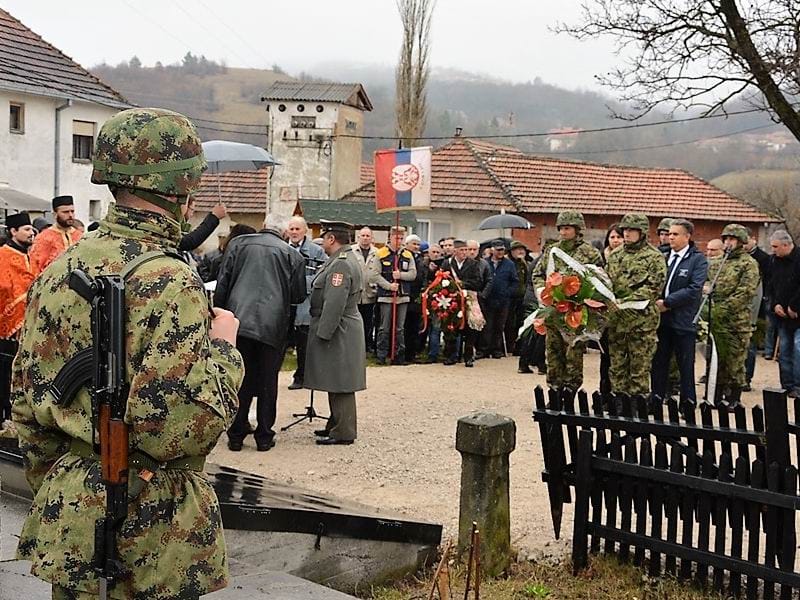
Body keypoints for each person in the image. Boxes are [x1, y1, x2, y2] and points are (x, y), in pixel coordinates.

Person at [12, 107, 244, 599]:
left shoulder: (60, 267)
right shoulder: (171, 279)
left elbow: (27, 400)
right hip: (154, 529)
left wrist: (66, 493)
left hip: (72, 506)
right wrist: (225, 347)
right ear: (184, 184)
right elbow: (179, 428)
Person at [215, 213, 306, 451]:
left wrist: (220, 314)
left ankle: (235, 433)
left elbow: (223, 282)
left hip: (238, 321)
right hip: (273, 325)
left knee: (239, 376)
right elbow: (298, 295)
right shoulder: (292, 255)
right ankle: (264, 436)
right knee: (268, 381)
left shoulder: (238, 244)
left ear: (263, 226)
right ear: (284, 232)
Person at [305, 221, 366, 445]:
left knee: (342, 381)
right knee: (335, 378)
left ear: (332, 238)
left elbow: (334, 302)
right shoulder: (342, 260)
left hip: (340, 328)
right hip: (343, 326)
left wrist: (324, 333)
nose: (322, 242)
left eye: (324, 238)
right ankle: (335, 424)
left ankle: (344, 431)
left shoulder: (340, 264)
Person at [533, 211, 603, 390]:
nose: (563, 233)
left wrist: (584, 297)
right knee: (553, 353)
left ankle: (571, 391)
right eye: (561, 229)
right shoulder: (552, 250)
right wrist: (542, 290)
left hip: (576, 312)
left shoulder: (590, 253)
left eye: (567, 228)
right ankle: (554, 390)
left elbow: (599, 280)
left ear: (578, 229)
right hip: (554, 311)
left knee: (573, 353)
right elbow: (538, 273)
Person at [606, 213, 666, 397]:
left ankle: (637, 406)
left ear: (642, 232)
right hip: (617, 322)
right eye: (625, 230)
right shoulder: (615, 255)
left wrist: (624, 302)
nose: (627, 234)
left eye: (632, 230)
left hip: (641, 323)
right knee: (617, 367)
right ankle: (619, 402)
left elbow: (654, 287)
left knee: (639, 368)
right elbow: (607, 282)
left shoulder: (654, 257)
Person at [651, 219, 708, 405]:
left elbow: (694, 289)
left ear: (687, 236)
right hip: (662, 319)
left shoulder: (697, 259)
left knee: (685, 364)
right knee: (659, 362)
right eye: (669, 233)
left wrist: (668, 302)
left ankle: (688, 403)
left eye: (675, 234)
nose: (670, 237)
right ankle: (656, 399)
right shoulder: (662, 255)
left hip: (683, 320)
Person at [704, 224, 760, 408]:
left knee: (735, 360)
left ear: (741, 241)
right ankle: (715, 394)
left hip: (736, 321)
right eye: (726, 239)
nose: (728, 243)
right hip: (716, 319)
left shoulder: (748, 264)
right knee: (716, 358)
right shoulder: (717, 262)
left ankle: (734, 397)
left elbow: (745, 292)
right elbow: (706, 282)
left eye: (732, 239)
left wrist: (723, 309)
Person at [0, 212, 36, 424]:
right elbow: (4, 287)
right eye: (26, 229)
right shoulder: (4, 255)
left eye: (31, 229)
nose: (31, 233)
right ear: (13, 231)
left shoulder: (27, 254)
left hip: (27, 323)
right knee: (5, 371)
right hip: (8, 327)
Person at [287, 216, 327, 390]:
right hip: (284, 302)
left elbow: (322, 273)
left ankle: (302, 375)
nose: (294, 232)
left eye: (297, 229)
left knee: (304, 342)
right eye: (292, 229)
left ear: (305, 231)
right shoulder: (281, 248)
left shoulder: (315, 251)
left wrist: (301, 284)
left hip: (305, 301)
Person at [370, 226, 417, 365]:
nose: (399, 241)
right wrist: (389, 286)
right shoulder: (381, 253)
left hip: (403, 296)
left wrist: (401, 275)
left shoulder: (408, 255)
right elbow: (375, 275)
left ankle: (398, 355)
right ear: (390, 237)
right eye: (397, 238)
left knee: (400, 328)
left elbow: (413, 274)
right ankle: (381, 354)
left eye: (402, 238)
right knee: (384, 327)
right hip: (386, 296)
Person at [767, 229, 800, 397]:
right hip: (782, 315)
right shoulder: (774, 261)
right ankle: (787, 385)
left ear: (786, 245)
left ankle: (798, 385)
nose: (773, 250)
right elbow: (771, 285)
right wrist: (775, 305)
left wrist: (794, 306)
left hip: (797, 313)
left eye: (775, 247)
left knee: (798, 349)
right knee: (785, 350)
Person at [441, 240, 483, 367]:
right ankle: (450, 356)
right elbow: (441, 278)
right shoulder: (447, 263)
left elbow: (478, 282)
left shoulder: (474, 264)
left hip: (469, 298)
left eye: (466, 250)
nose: (465, 253)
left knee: (471, 327)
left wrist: (463, 284)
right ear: (455, 251)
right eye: (462, 250)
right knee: (450, 326)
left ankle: (468, 356)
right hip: (452, 298)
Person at [482, 240, 519, 358]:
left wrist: (507, 293)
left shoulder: (509, 264)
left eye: (502, 250)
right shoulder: (485, 263)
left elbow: (514, 281)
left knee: (499, 326)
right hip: (487, 299)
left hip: (503, 301)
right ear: (492, 250)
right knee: (487, 326)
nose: (500, 252)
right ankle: (484, 349)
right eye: (498, 250)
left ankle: (496, 349)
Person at [29, 195, 82, 274]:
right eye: (65, 212)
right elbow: (36, 266)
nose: (70, 215)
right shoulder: (43, 238)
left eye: (72, 211)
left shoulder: (80, 236)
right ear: (55, 214)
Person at [599, 223, 624, 393]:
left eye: (619, 237)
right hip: (605, 315)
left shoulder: (627, 259)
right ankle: (604, 392)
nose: (615, 240)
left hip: (623, 314)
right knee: (605, 356)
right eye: (612, 237)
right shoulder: (601, 258)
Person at [352, 226, 378, 353]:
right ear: (358, 237)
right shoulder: (351, 251)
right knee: (355, 322)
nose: (365, 238)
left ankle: (367, 345)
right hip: (355, 293)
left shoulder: (377, 252)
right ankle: (355, 346)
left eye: (368, 236)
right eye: (363, 235)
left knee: (368, 322)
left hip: (370, 293)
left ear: (372, 238)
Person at [403, 234, 425, 362]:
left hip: (417, 297)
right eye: (414, 244)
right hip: (405, 294)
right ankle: (403, 353)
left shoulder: (420, 259)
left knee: (414, 326)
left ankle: (412, 353)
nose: (416, 247)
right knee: (404, 327)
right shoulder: (403, 257)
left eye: (418, 244)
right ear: (407, 245)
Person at [506, 240, 530, 355]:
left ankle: (519, 346)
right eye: (517, 249)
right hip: (510, 298)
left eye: (522, 249)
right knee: (510, 323)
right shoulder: (508, 263)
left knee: (521, 322)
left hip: (523, 298)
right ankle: (510, 346)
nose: (520, 251)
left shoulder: (526, 264)